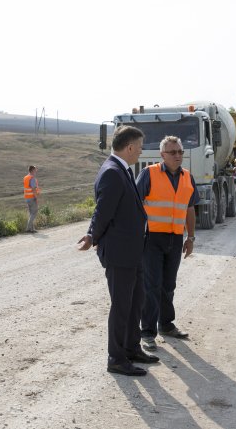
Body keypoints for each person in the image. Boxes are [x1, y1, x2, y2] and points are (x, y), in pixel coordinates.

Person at [77, 126, 158, 377]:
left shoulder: (121, 169)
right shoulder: (113, 172)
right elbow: (103, 211)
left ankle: (132, 348)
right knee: (122, 306)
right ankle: (116, 357)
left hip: (132, 251)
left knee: (136, 303)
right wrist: (92, 236)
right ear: (130, 147)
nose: (142, 151)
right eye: (140, 146)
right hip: (120, 253)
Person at [136, 135, 199, 351]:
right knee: (151, 286)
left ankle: (166, 325)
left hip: (174, 238)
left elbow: (190, 209)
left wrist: (190, 237)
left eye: (180, 151)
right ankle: (147, 332)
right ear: (162, 155)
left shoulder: (187, 178)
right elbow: (135, 205)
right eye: (173, 152)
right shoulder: (149, 174)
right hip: (151, 238)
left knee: (168, 285)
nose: (178, 155)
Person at [23, 165, 40, 233]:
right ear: (32, 170)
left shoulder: (26, 177)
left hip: (27, 198)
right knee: (34, 213)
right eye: (35, 170)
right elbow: (33, 189)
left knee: (31, 213)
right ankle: (28, 228)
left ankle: (32, 229)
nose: (36, 171)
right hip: (32, 198)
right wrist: (36, 197)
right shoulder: (32, 178)